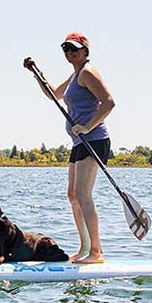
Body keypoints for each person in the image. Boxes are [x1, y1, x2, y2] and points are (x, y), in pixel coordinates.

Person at [28, 32, 115, 264]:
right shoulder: (75, 75)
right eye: (66, 49)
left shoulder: (87, 72)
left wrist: (87, 127)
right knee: (73, 195)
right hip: (80, 142)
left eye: (74, 49)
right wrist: (37, 74)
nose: (70, 52)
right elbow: (54, 95)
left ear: (85, 51)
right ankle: (85, 248)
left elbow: (109, 102)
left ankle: (96, 252)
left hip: (94, 140)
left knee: (83, 195)